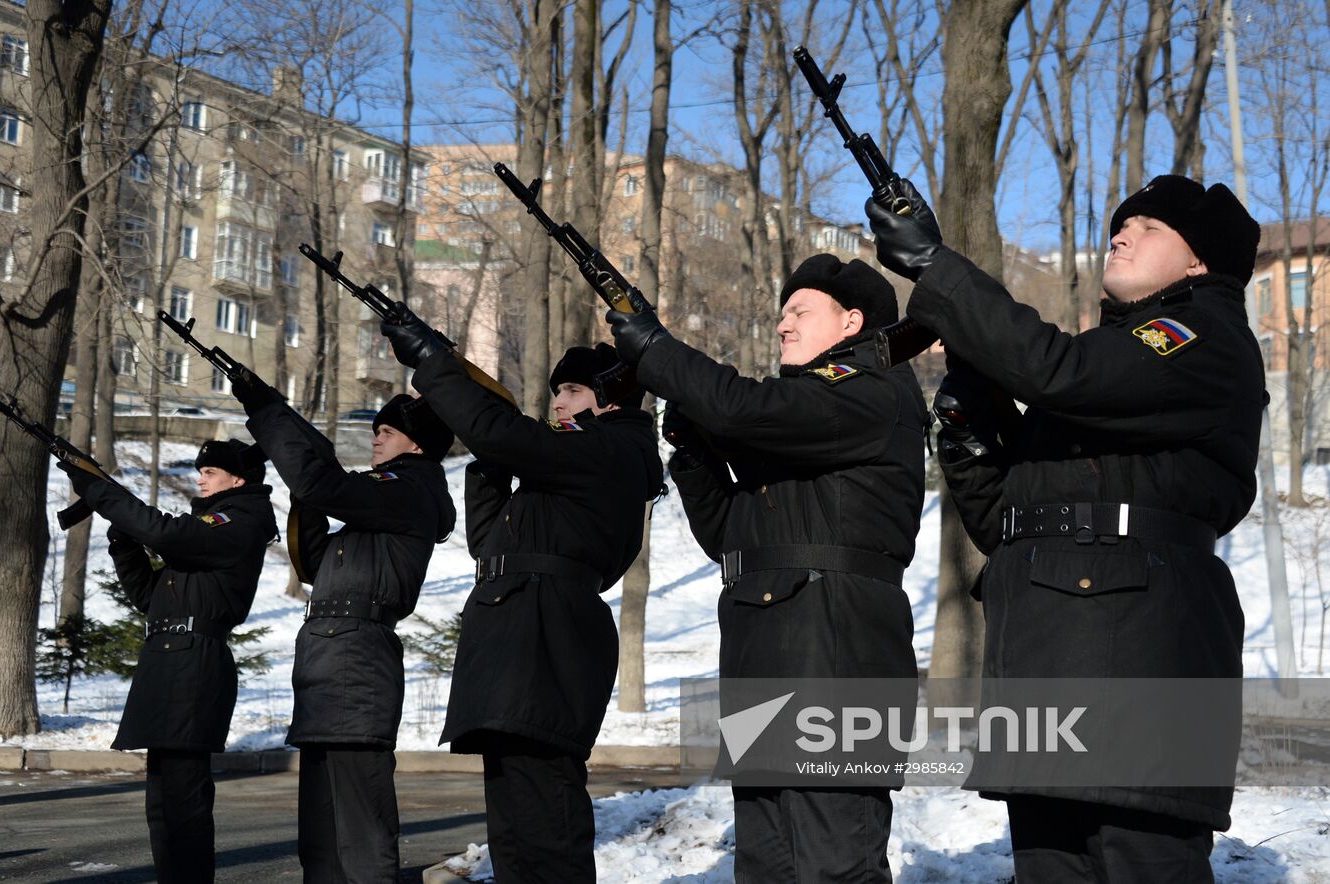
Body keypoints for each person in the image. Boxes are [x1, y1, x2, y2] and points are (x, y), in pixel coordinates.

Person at [866, 174, 1265, 882]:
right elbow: (1007, 521)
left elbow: (1061, 372)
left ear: (1199, 259)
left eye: (1147, 228)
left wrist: (938, 269)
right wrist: (972, 428)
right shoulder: (1114, 372)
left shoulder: (1199, 335)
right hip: (1050, 658)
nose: (1121, 234)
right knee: (1052, 865)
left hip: (1147, 657)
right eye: (1120, 224)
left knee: (1142, 859)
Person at [605, 255, 928, 883]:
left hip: (838, 653)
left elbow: (744, 408)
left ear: (850, 322)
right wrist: (693, 449)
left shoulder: (870, 392)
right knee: (764, 860)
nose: (782, 325)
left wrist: (657, 349)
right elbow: (732, 538)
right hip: (766, 646)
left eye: (800, 311)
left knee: (835, 858)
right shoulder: (802, 424)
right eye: (781, 313)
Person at [382, 323, 661, 884]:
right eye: (556, 391)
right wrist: (490, 461)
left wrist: (437, 366)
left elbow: (507, 435)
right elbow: (489, 544)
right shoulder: (567, 466)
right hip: (518, 627)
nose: (558, 401)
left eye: (574, 391)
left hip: (548, 631)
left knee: (545, 810)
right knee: (512, 818)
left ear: (610, 400)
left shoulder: (611, 448)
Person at [233, 377, 456, 883]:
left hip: (356, 661)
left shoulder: (409, 488)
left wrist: (269, 414)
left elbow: (324, 485)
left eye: (388, 431)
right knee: (322, 834)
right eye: (376, 430)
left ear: (417, 445)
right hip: (329, 661)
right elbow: (314, 559)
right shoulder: (374, 509)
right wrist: (307, 480)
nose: (376, 438)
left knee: (360, 827)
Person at [59, 439, 276, 883]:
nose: (200, 478)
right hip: (168, 660)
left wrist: (103, 492)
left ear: (238, 479)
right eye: (201, 471)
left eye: (210, 472)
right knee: (161, 802)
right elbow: (149, 595)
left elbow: (166, 533)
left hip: (194, 663)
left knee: (184, 799)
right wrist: (124, 540)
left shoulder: (238, 521)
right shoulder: (208, 535)